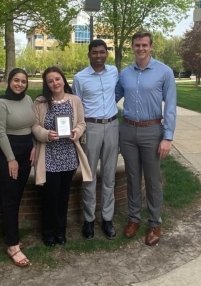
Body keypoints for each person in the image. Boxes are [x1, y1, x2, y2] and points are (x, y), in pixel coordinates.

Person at [115, 31, 177, 247]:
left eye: (144, 45)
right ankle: (133, 218)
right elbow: (111, 98)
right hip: (128, 131)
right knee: (132, 178)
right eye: (136, 45)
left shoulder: (164, 72)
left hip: (152, 131)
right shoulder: (124, 74)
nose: (140, 48)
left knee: (152, 180)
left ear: (151, 47)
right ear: (131, 47)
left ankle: (154, 222)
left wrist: (167, 137)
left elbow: (170, 106)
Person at [32, 66, 92, 247]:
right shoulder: (40, 102)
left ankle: (60, 231)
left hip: (68, 156)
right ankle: (48, 232)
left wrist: (77, 132)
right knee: (50, 196)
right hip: (49, 156)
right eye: (50, 81)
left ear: (63, 80)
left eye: (57, 79)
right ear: (47, 84)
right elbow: (34, 126)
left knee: (63, 196)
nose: (54, 83)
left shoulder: (75, 100)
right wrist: (45, 135)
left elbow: (82, 123)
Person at [72, 39, 119, 240]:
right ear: (89, 54)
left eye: (102, 52)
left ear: (106, 53)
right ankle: (89, 220)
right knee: (89, 176)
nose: (99, 55)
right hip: (91, 128)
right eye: (95, 52)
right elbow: (77, 105)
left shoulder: (114, 72)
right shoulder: (80, 78)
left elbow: (116, 94)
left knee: (109, 176)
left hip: (112, 126)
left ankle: (107, 219)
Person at [0, 68, 35, 267]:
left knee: (16, 196)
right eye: (16, 80)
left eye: (23, 81)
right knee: (9, 198)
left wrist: (34, 146)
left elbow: (32, 125)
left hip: (26, 153)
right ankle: (12, 244)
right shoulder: (0, 103)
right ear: (9, 82)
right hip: (6, 154)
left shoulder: (28, 100)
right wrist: (11, 159)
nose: (19, 84)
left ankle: (10, 233)